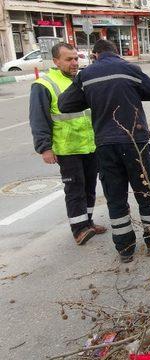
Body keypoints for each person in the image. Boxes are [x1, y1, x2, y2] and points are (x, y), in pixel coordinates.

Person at [58, 39, 150, 263]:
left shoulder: (86, 75)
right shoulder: (130, 69)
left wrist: (92, 96)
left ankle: (125, 249)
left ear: (95, 55)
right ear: (116, 53)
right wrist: (130, 91)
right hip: (135, 142)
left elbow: (65, 104)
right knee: (145, 191)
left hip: (106, 146)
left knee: (115, 197)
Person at [29, 42, 107, 245]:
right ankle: (79, 229)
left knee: (90, 186)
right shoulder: (44, 84)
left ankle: (88, 222)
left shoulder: (82, 79)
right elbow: (39, 118)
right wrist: (45, 147)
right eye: (68, 59)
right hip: (67, 147)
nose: (74, 63)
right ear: (56, 61)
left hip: (90, 145)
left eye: (76, 58)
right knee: (75, 189)